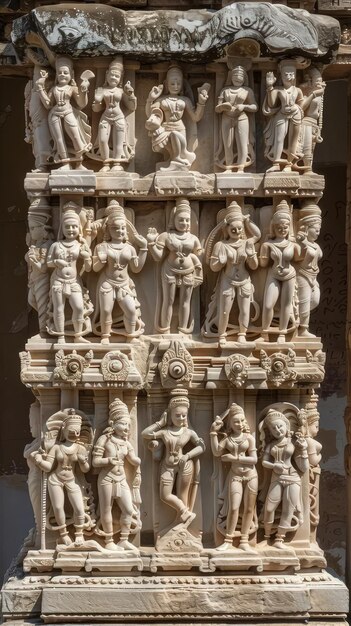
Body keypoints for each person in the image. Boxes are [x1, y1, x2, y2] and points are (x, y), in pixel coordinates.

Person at [142, 394, 205, 526]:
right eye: (177, 415)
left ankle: (181, 524)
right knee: (164, 495)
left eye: (184, 415)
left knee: (183, 494)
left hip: (184, 465)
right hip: (167, 466)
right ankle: (184, 511)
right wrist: (160, 423)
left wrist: (188, 456)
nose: (181, 418)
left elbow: (201, 446)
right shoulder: (165, 431)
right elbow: (145, 434)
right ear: (170, 414)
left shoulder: (188, 432)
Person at [30, 409, 91, 546]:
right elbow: (48, 466)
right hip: (55, 479)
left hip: (72, 480)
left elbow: (85, 470)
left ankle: (79, 534)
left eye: (77, 432)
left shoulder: (80, 448)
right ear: (64, 430)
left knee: (79, 508)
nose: (74, 434)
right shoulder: (57, 447)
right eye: (71, 431)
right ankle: (63, 534)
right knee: (58, 508)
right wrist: (38, 459)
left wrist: (83, 461)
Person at [203, 202, 260, 344]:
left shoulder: (247, 243)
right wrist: (221, 261)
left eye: (240, 229)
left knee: (245, 310)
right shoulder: (220, 245)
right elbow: (213, 267)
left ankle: (242, 333)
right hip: (227, 280)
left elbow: (254, 265)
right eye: (233, 229)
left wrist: (251, 256)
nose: (237, 232)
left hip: (244, 279)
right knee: (224, 310)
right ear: (227, 229)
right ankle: (222, 334)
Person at [93, 201, 147, 342]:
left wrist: (144, 249)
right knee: (106, 311)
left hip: (124, 284)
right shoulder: (102, 247)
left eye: (123, 228)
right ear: (108, 231)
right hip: (107, 282)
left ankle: (131, 336)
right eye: (116, 228)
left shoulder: (129, 248)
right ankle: (105, 336)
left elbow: (136, 268)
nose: (120, 231)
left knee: (131, 310)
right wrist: (102, 260)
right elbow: (95, 268)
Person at [147, 197, 203, 334]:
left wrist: (199, 257)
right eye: (181, 220)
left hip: (189, 271)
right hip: (169, 270)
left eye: (187, 220)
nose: (184, 223)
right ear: (174, 220)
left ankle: (183, 331)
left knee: (185, 302)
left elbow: (199, 253)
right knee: (168, 300)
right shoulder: (166, 236)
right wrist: (151, 243)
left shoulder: (193, 238)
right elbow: (158, 256)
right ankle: (165, 330)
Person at [93, 399, 141, 552]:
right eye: (123, 424)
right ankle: (108, 541)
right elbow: (95, 462)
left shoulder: (126, 443)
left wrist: (137, 461)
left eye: (128, 425)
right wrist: (108, 460)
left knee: (128, 509)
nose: (127, 428)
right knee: (106, 509)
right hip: (107, 479)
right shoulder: (104, 440)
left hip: (121, 480)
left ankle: (124, 540)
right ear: (113, 423)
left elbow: (133, 459)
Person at [210, 404, 258, 551]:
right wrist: (213, 433)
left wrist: (234, 459)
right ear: (230, 423)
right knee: (234, 507)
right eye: (236, 421)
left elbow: (254, 460)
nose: (240, 424)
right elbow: (217, 452)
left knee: (249, 509)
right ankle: (228, 540)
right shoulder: (228, 440)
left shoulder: (249, 438)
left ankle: (244, 540)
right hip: (235, 476)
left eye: (242, 421)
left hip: (251, 476)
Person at [259, 409, 308, 548]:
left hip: (293, 477)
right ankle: (266, 537)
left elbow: (303, 468)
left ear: (287, 426)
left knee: (288, 509)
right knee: (269, 508)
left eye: (280, 426)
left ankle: (279, 539)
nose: (277, 430)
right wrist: (274, 465)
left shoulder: (293, 443)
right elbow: (264, 462)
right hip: (277, 477)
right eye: (273, 428)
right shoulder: (271, 445)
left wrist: (303, 450)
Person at [145, 64, 209, 170]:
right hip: (165, 128)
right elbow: (149, 114)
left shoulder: (185, 100)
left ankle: (177, 160)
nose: (175, 86)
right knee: (165, 147)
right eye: (172, 84)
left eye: (178, 84)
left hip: (180, 129)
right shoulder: (161, 100)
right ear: (166, 84)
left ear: (182, 85)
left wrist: (201, 103)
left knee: (175, 137)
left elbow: (195, 117)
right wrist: (150, 99)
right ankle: (174, 161)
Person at [36, 56, 93, 169]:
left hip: (68, 112)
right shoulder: (54, 89)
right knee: (59, 139)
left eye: (65, 73)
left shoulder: (71, 88)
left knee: (76, 136)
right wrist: (40, 87)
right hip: (54, 114)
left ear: (71, 74)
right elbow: (48, 104)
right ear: (57, 74)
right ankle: (65, 163)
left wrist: (84, 91)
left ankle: (79, 162)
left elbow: (81, 104)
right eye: (60, 72)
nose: (62, 75)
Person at [47, 203, 93, 342]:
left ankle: (78, 335)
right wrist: (56, 262)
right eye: (67, 227)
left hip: (74, 282)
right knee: (59, 308)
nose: (71, 230)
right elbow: (48, 263)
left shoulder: (80, 245)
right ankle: (60, 335)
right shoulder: (56, 245)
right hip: (58, 281)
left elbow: (89, 268)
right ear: (62, 228)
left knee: (79, 307)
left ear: (79, 228)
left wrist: (86, 258)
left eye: (74, 227)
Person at [259, 202, 300, 342]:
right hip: (274, 274)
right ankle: (264, 331)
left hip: (289, 275)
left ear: (289, 227)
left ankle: (282, 332)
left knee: (286, 304)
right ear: (273, 227)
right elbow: (262, 264)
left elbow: (300, 259)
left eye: (285, 227)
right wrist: (259, 253)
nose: (282, 229)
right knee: (268, 304)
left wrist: (303, 242)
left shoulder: (293, 245)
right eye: (279, 227)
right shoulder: (268, 245)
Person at [92, 57, 137, 172]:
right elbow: (96, 109)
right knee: (102, 140)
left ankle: (117, 163)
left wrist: (131, 94)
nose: (114, 78)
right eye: (111, 75)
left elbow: (132, 107)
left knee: (119, 142)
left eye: (117, 76)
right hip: (106, 116)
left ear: (121, 78)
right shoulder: (102, 90)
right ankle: (106, 163)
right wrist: (97, 100)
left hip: (119, 117)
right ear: (106, 74)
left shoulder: (121, 91)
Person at [262, 60, 304, 172]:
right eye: (285, 74)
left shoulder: (298, 90)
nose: (288, 76)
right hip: (281, 114)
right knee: (279, 138)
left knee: (293, 140)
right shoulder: (278, 89)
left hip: (296, 114)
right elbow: (271, 104)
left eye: (291, 74)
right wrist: (270, 87)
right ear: (281, 75)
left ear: (294, 75)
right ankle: (276, 163)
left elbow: (301, 104)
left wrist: (297, 108)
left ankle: (289, 164)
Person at [215, 65, 257, 172]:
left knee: (243, 144)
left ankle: (241, 167)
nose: (238, 78)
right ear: (231, 77)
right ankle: (228, 167)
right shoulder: (225, 90)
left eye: (240, 76)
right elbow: (217, 108)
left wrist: (244, 106)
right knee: (227, 144)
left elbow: (255, 106)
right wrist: (223, 107)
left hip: (241, 117)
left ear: (244, 78)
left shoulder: (247, 90)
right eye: (235, 76)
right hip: (226, 117)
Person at [296, 203, 322, 337]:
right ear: (306, 228)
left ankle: (298, 320)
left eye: (319, 229)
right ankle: (302, 329)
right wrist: (302, 242)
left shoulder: (316, 245)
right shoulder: (301, 243)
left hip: (313, 276)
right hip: (302, 275)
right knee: (304, 300)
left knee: (314, 300)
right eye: (315, 229)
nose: (318, 231)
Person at [25, 209, 53, 333]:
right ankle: (49, 320)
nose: (31, 232)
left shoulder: (47, 246)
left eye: (33, 228)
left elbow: (43, 268)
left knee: (41, 303)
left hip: (42, 278)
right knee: (32, 300)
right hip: (34, 279)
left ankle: (44, 330)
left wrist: (33, 260)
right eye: (30, 229)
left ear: (43, 228)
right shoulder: (35, 245)